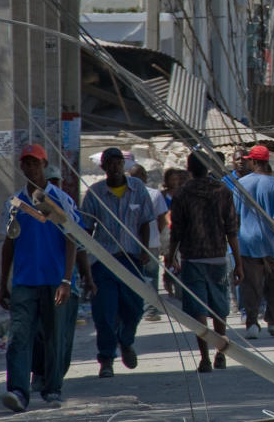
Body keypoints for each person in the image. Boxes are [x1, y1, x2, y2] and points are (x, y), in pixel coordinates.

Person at [0, 145, 80, 411]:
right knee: (19, 337)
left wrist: (67, 280)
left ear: (44, 165)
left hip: (55, 280)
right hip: (24, 281)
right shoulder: (15, 203)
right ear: (22, 167)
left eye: (36, 163)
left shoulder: (60, 199)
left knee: (54, 337)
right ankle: (18, 391)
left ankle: (52, 388)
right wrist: (3, 282)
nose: (31, 167)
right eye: (27, 163)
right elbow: (9, 243)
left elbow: (71, 239)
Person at [80, 147, 156, 378]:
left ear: (123, 165)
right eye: (110, 163)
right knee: (105, 312)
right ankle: (106, 359)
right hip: (104, 262)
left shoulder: (138, 189)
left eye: (118, 163)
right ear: (103, 167)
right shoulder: (94, 194)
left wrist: (144, 249)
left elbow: (145, 221)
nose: (115, 167)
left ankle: (126, 341)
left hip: (131, 260)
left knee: (133, 309)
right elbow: (85, 230)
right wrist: (86, 271)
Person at [165, 152, 243, 373]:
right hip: (218, 257)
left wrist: (171, 257)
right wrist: (238, 262)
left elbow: (176, 231)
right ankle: (221, 353)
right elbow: (232, 230)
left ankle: (205, 357)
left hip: (192, 258)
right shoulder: (223, 191)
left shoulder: (182, 194)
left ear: (189, 169)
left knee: (197, 310)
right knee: (219, 308)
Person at [235, 145, 274, 339]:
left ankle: (251, 324)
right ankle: (273, 322)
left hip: (247, 241)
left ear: (254, 161)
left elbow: (236, 215)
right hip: (270, 242)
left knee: (251, 285)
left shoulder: (241, 183)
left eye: (249, 159)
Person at [127, 165, 170, 323]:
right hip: (151, 242)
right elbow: (162, 218)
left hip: (130, 243)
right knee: (150, 277)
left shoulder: (127, 194)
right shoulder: (154, 194)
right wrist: (156, 232)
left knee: (134, 276)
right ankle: (150, 311)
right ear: (144, 176)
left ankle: (137, 310)